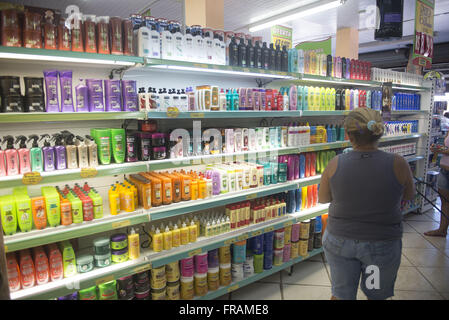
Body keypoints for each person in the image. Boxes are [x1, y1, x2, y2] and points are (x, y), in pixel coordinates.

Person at [318, 108, 415, 300]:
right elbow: (409, 196)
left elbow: (323, 198)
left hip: (340, 242)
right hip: (380, 245)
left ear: (348, 134)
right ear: (379, 131)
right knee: (374, 293)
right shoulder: (398, 163)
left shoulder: (335, 163)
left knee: (341, 293)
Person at [426, 132, 449, 237]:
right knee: (445, 201)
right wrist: (437, 148)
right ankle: (442, 230)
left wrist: (443, 150)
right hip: (444, 169)